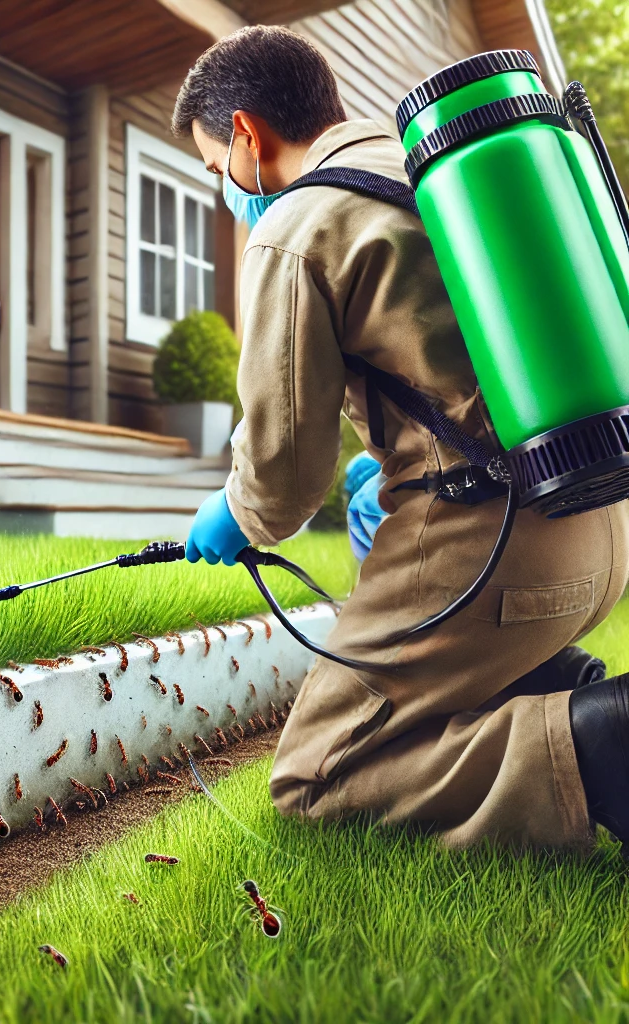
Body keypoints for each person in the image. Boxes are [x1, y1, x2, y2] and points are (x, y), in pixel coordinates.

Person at [176, 25, 629, 851]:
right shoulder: (426, 169)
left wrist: (234, 514)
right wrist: (384, 456)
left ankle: (601, 742)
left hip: (497, 557)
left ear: (246, 133)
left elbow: (280, 475)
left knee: (317, 775)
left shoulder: (295, 226)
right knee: (373, 533)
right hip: (595, 522)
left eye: (217, 169)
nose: (228, 190)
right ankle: (564, 688)